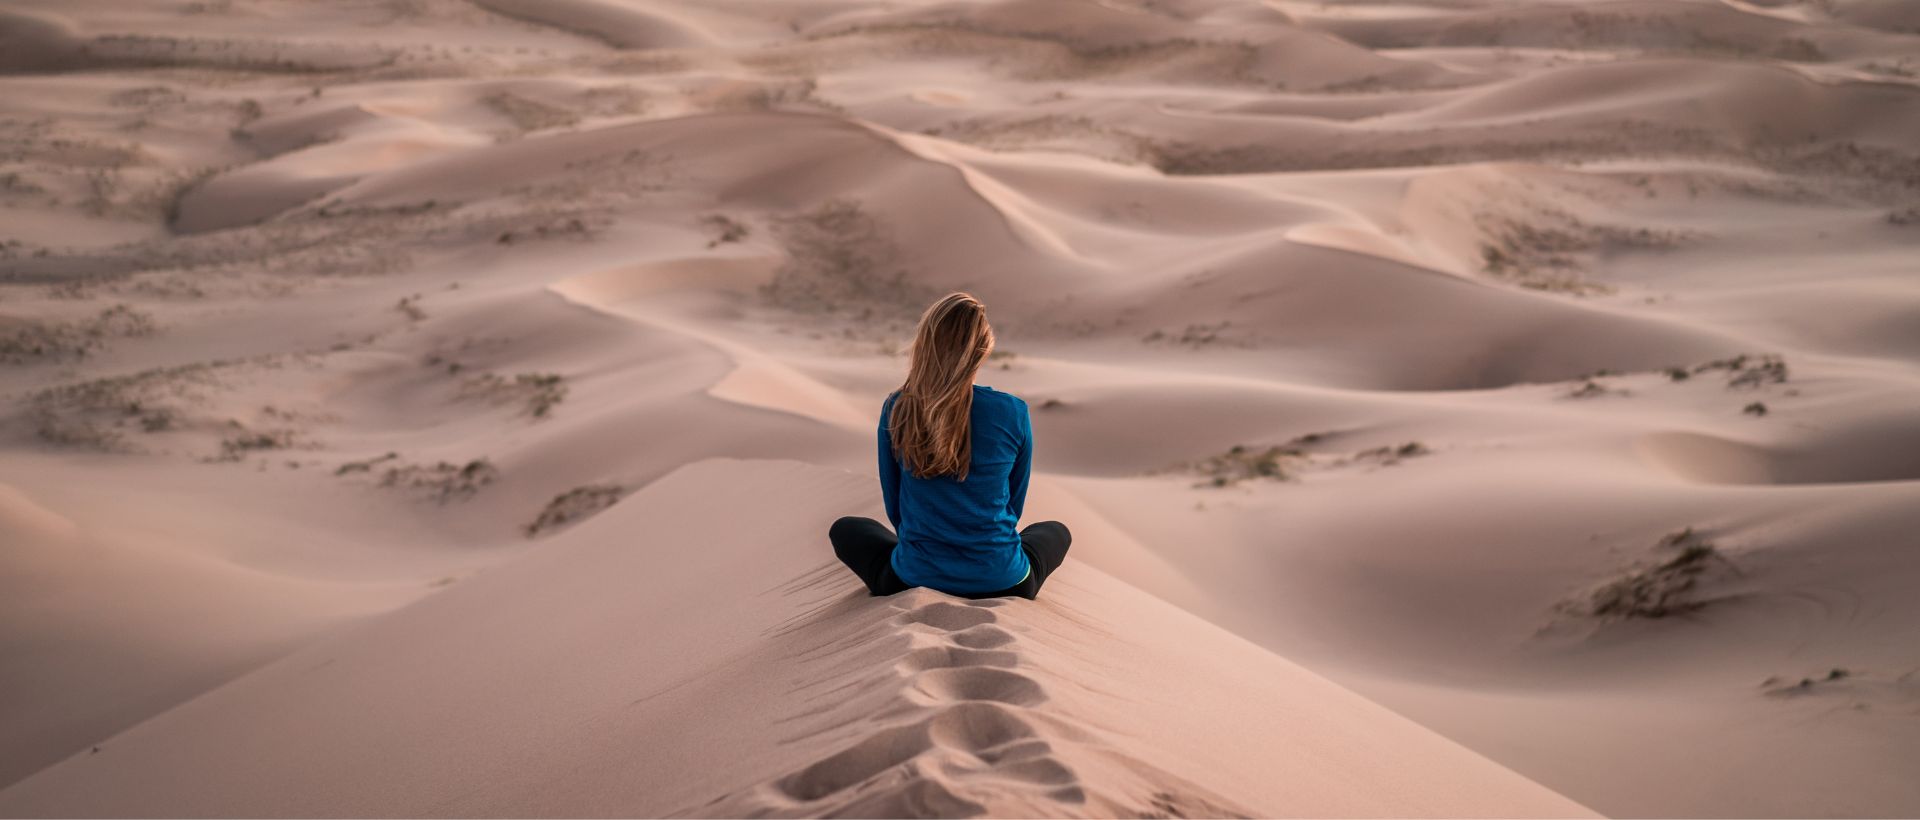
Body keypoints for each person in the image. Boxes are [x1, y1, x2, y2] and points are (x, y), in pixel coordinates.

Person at [829, 292, 1072, 601]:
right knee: (1054, 531)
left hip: (913, 577)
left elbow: (895, 508)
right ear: (983, 350)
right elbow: (1013, 505)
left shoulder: (899, 407)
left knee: (848, 529)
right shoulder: (1013, 411)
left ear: (924, 345)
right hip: (1003, 579)